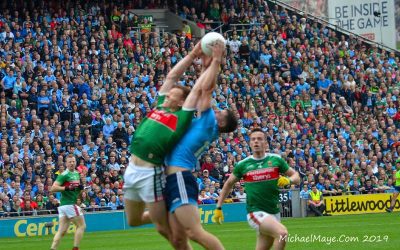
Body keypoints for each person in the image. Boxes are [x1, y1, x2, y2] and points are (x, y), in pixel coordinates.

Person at [123, 41, 204, 247]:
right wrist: (192, 54)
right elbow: (171, 77)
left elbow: (195, 91)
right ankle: (170, 207)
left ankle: (173, 211)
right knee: (132, 221)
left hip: (150, 174)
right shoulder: (160, 106)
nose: (167, 94)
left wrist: (208, 64)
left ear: (180, 102)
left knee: (168, 232)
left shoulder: (180, 118)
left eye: (172, 95)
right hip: (131, 169)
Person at [164, 41, 237, 249]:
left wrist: (215, 61)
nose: (216, 110)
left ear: (221, 121)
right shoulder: (209, 125)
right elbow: (204, 89)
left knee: (194, 232)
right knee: (178, 238)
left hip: (179, 175)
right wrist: (206, 65)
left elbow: (207, 89)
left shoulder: (209, 122)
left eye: (220, 111)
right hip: (175, 177)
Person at [213, 128, 300, 250]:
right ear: (249, 143)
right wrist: (218, 206)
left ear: (265, 143)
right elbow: (228, 184)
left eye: (259, 139)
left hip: (274, 211)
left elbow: (296, 177)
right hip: (255, 212)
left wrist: (288, 180)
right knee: (282, 234)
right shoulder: (243, 164)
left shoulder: (275, 160)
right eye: (253, 139)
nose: (256, 142)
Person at [50, 155, 86, 250]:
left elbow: (75, 189)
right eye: (70, 162)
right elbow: (53, 188)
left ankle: (53, 248)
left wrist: (80, 189)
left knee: (62, 231)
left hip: (64, 206)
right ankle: (75, 248)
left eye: (73, 161)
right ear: (66, 163)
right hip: (69, 204)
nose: (72, 163)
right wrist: (66, 188)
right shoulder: (64, 174)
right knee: (81, 226)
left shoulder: (77, 174)